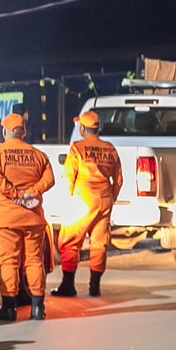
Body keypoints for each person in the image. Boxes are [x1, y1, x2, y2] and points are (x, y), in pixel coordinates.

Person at [0, 113, 55, 322]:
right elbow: (49, 180)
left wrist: (16, 194)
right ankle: (37, 308)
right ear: (23, 132)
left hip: (6, 219)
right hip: (33, 218)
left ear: (4, 131)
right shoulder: (38, 155)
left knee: (9, 262)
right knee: (34, 261)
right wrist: (32, 192)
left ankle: (9, 308)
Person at [54, 110, 122, 299]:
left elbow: (69, 176)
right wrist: (111, 198)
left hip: (82, 199)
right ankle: (95, 286)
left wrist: (67, 201)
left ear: (83, 128)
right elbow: (118, 180)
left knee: (70, 241)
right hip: (104, 199)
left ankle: (68, 285)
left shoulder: (77, 148)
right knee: (99, 243)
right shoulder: (110, 148)